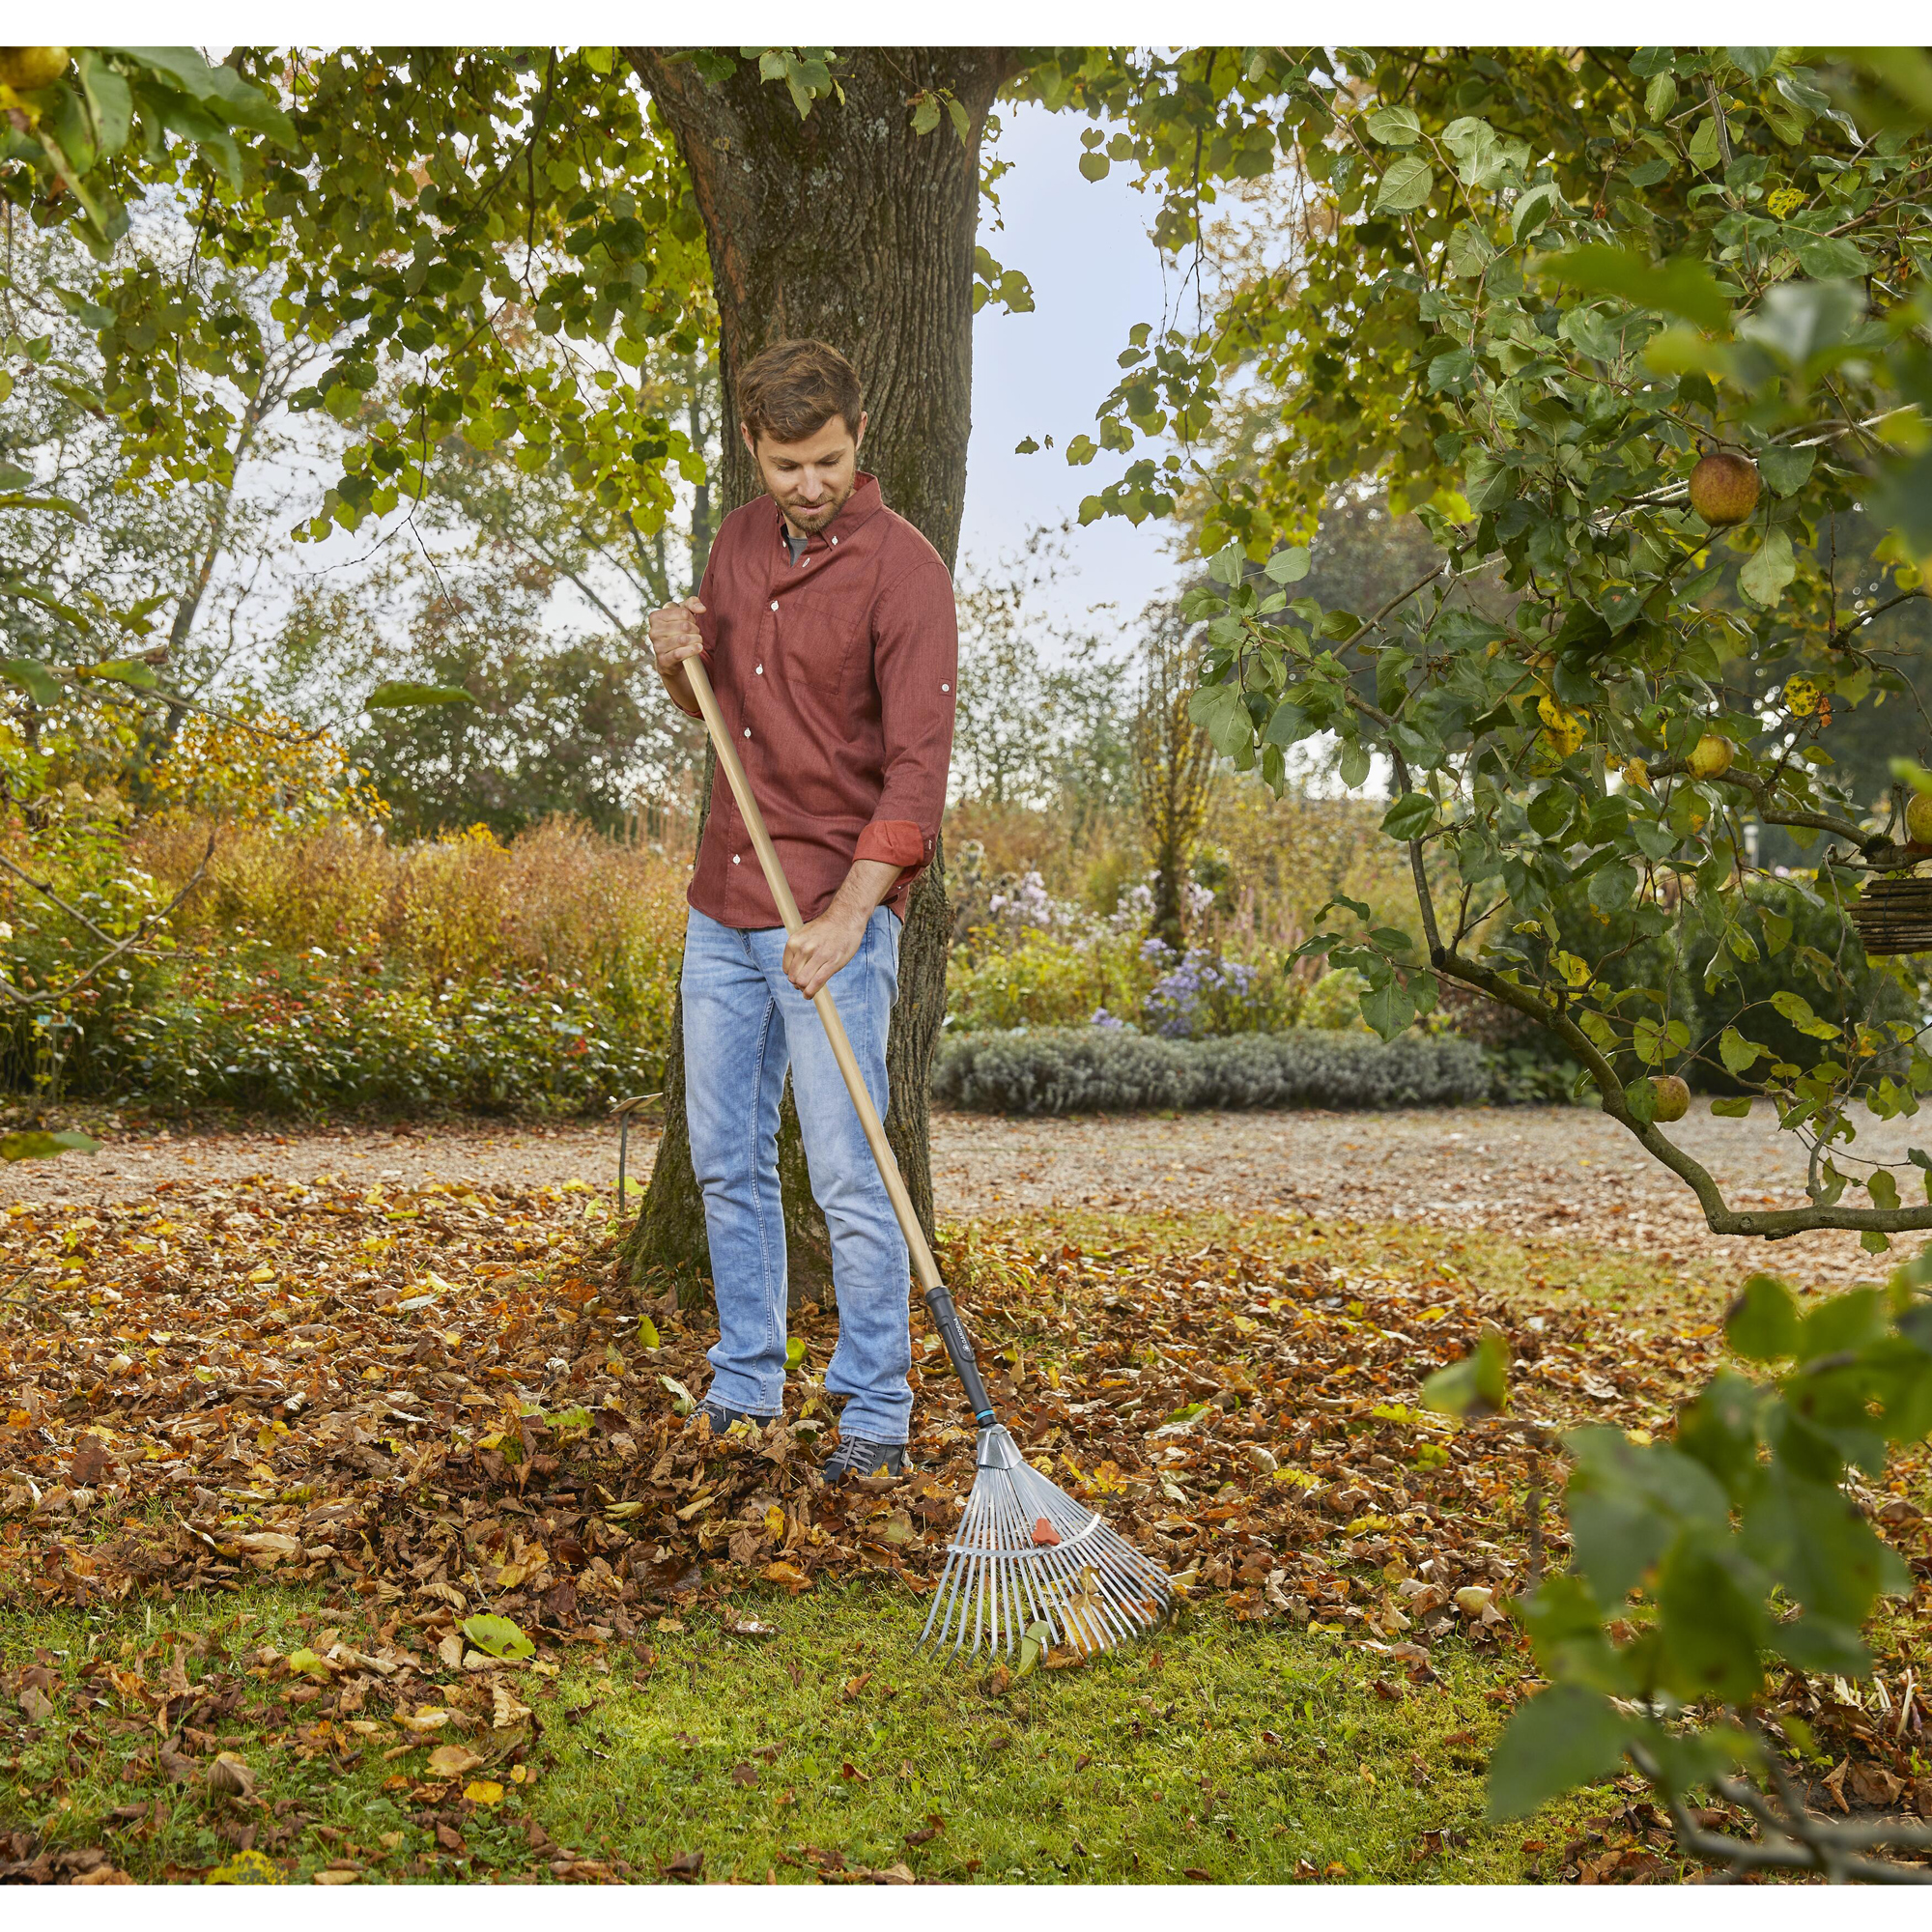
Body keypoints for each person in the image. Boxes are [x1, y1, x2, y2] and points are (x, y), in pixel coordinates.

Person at [647, 338, 957, 1480]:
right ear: (753, 449)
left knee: (847, 1169)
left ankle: (873, 1410)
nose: (808, 485)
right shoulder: (733, 543)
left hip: (833, 913)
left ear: (858, 436)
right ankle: (745, 1380)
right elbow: (713, 714)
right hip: (724, 903)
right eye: (785, 465)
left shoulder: (904, 572)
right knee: (725, 1156)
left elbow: (915, 781)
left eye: (825, 460)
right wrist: (671, 655)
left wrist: (843, 919)